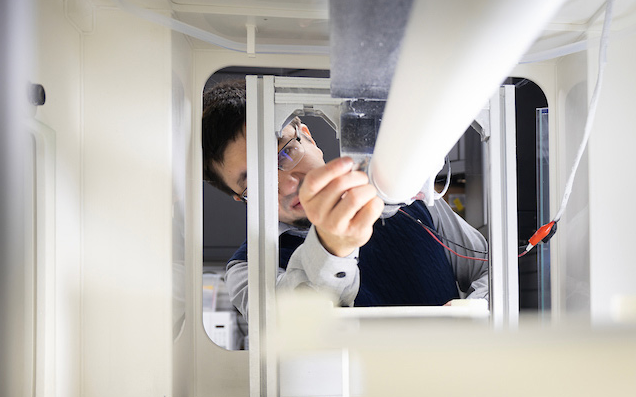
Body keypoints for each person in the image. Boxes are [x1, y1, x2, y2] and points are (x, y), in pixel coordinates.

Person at [201, 81, 489, 316]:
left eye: (285, 153)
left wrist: (474, 311)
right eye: (254, 181)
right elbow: (296, 331)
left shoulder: (402, 195)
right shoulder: (249, 269)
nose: (288, 184)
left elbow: (489, 269)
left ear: (308, 137)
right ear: (242, 198)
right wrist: (330, 248)